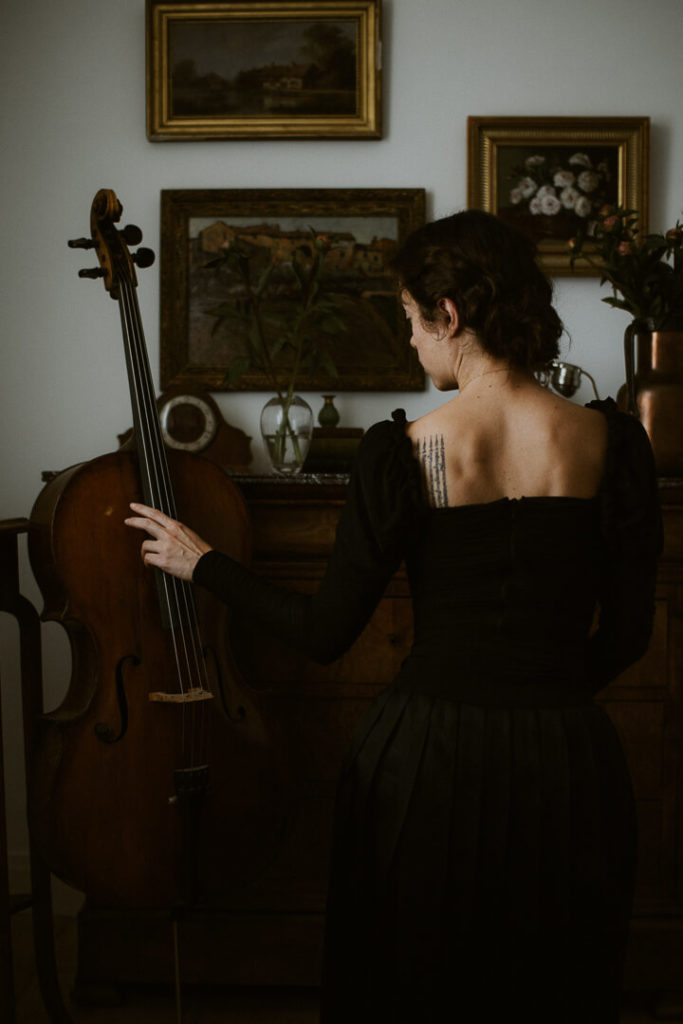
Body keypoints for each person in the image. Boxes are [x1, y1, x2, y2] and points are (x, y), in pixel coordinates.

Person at [125, 210, 662, 1022]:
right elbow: (626, 635)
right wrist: (542, 698)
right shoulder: (616, 445)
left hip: (427, 763)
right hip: (566, 759)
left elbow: (322, 635)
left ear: (449, 315)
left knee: (416, 987)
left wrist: (205, 565)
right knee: (553, 984)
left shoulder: (405, 452)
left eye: (412, 321)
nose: (413, 343)